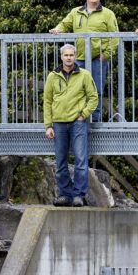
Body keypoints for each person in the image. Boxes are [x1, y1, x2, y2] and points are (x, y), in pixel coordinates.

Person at [49, 0, 118, 123]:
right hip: (79, 59)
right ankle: (78, 119)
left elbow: (115, 36)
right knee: (77, 92)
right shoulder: (75, 12)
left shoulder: (108, 13)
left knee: (96, 90)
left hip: (97, 59)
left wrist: (106, 54)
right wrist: (57, 29)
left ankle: (95, 121)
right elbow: (64, 24)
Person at [43, 44, 98, 207]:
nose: (68, 58)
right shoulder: (52, 76)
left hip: (77, 123)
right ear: (61, 57)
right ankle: (65, 194)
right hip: (58, 123)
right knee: (60, 161)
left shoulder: (84, 75)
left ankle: (78, 195)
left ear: (75, 56)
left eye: (71, 55)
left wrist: (84, 115)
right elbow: (47, 101)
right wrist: (48, 125)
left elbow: (93, 97)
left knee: (81, 160)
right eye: (65, 55)